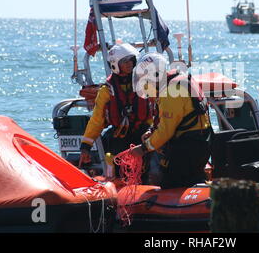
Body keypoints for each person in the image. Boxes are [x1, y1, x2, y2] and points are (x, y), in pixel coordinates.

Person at [124, 52, 212, 189]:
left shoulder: (171, 91)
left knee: (171, 184)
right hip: (202, 141)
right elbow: (169, 118)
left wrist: (143, 148)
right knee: (191, 178)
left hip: (189, 146)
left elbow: (166, 131)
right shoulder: (178, 80)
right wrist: (151, 130)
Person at [79, 43, 152, 169]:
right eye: (124, 61)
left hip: (143, 134)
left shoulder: (145, 84)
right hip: (120, 137)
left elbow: (156, 112)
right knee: (118, 159)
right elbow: (96, 120)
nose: (129, 63)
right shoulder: (106, 91)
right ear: (115, 64)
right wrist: (86, 147)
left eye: (131, 60)